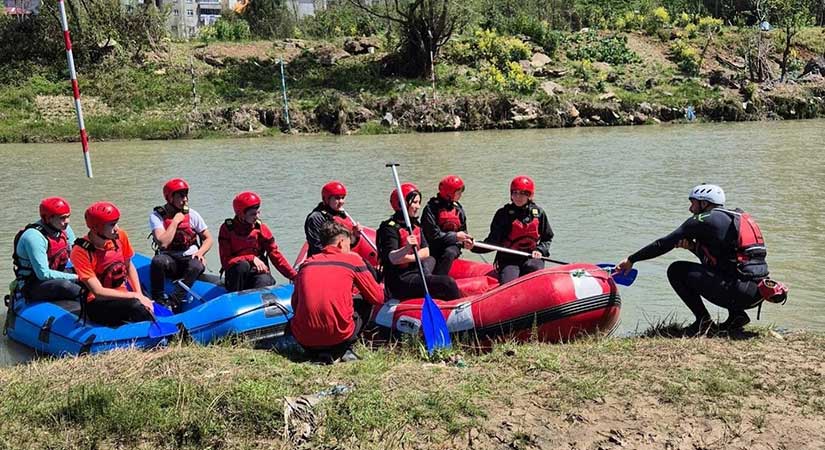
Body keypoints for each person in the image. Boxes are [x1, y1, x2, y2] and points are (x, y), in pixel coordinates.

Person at [616, 184, 773, 335]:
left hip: (738, 292)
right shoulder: (735, 218)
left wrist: (631, 260)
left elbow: (662, 244)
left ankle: (703, 321)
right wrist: (693, 248)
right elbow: (724, 262)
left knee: (677, 270)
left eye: (693, 203)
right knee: (717, 270)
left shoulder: (704, 219)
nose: (690, 209)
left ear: (704, 203)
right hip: (757, 292)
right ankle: (737, 316)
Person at [291, 221, 384, 362]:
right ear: (341, 242)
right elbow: (377, 298)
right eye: (349, 244)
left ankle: (319, 351)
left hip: (305, 341)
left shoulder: (307, 264)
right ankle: (345, 348)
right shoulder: (353, 259)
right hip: (339, 338)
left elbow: (295, 303)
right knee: (366, 299)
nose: (350, 248)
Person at [70, 202, 155, 326]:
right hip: (98, 302)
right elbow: (98, 291)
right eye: (112, 225)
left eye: (116, 222)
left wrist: (139, 294)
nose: (117, 228)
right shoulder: (80, 252)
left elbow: (129, 266)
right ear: (96, 228)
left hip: (123, 292)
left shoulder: (120, 236)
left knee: (146, 299)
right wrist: (135, 296)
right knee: (135, 305)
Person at [377, 182, 461, 300]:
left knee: (432, 259)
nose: (418, 206)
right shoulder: (389, 228)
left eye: (419, 203)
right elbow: (392, 258)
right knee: (448, 283)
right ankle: (456, 312)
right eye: (415, 203)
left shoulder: (415, 225)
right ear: (402, 204)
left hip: (416, 271)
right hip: (400, 280)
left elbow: (426, 251)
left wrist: (409, 257)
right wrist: (407, 248)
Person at [472, 175, 554, 284]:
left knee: (533, 268)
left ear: (529, 195)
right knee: (509, 284)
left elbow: (547, 238)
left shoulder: (538, 213)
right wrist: (473, 246)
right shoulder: (503, 214)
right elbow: (493, 242)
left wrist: (539, 250)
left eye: (522, 193)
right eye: (515, 193)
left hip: (531, 257)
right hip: (509, 259)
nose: (518, 197)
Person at [148, 178, 213, 310]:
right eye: (181, 196)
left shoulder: (193, 214)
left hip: (189, 258)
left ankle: (175, 301)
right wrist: (175, 221)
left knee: (196, 265)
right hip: (170, 259)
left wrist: (200, 253)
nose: (185, 199)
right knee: (157, 261)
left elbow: (208, 239)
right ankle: (158, 299)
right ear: (170, 198)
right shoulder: (157, 216)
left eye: (186, 195)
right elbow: (163, 243)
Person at [218, 191, 297, 292]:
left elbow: (276, 256)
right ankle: (234, 298)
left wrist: (294, 276)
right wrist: (251, 258)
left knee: (265, 280)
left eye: (258, 212)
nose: (257, 216)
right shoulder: (227, 229)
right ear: (241, 214)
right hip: (237, 276)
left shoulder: (261, 229)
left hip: (257, 274)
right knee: (243, 265)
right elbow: (225, 262)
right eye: (253, 214)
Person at [12, 197, 83, 301]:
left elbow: (76, 253)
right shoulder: (34, 237)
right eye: (62, 218)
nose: (67, 221)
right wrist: (77, 277)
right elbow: (43, 274)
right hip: (32, 282)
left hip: (57, 271)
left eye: (68, 216)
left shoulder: (64, 228)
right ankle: (91, 304)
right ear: (48, 218)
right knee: (65, 286)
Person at [421, 175, 474, 275]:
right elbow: (433, 235)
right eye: (458, 193)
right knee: (425, 270)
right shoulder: (431, 208)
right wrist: (455, 236)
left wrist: (465, 241)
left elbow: (463, 230)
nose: (460, 196)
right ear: (449, 194)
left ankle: (440, 281)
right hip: (433, 249)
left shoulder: (458, 208)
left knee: (449, 253)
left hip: (452, 246)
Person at [304, 180, 362, 258]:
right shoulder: (315, 218)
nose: (341, 202)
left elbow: (348, 245)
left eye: (343, 198)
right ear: (326, 199)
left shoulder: (340, 215)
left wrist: (355, 235)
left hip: (340, 256)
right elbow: (317, 248)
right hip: (323, 260)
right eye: (337, 198)